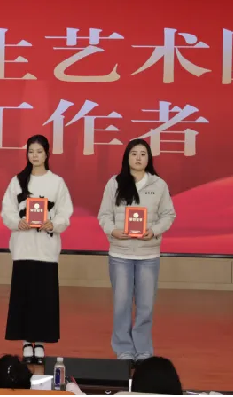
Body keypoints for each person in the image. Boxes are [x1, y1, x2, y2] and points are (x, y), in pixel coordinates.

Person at [98, 139, 176, 362]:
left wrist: (155, 230)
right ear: (127, 157)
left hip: (148, 255)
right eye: (134, 153)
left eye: (143, 154)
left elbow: (168, 215)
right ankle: (124, 349)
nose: (139, 158)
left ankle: (143, 350)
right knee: (121, 305)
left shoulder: (159, 185)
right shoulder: (114, 183)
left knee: (145, 306)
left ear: (149, 158)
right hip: (120, 255)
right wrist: (113, 231)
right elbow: (104, 215)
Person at [1, 135, 73, 365]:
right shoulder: (17, 181)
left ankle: (40, 341)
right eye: (31, 151)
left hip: (46, 249)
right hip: (23, 247)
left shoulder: (56, 182)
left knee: (44, 297)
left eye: (39, 151)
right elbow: (7, 210)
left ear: (47, 154)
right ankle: (25, 341)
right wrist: (17, 222)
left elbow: (65, 212)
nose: (35, 155)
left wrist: (54, 224)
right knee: (23, 296)